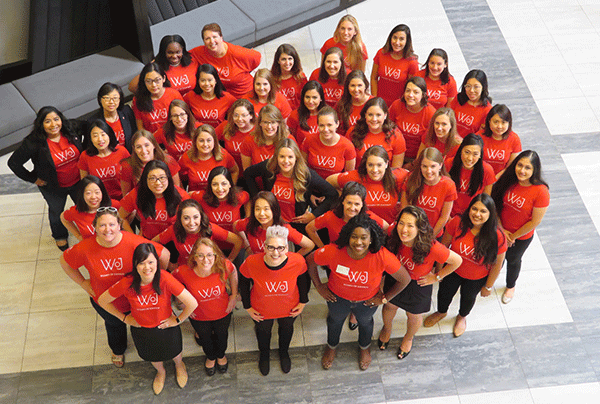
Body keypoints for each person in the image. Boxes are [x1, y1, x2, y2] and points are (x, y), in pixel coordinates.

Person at [60, 208, 169, 369]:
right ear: (94, 227)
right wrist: (83, 283)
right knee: (114, 326)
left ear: (119, 225)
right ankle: (118, 350)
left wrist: (157, 279)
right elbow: (65, 261)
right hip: (106, 302)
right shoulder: (85, 248)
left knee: (143, 327)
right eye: (102, 225)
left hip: (137, 300)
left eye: (112, 224)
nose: (107, 229)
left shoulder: (134, 242)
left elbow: (164, 254)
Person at [307, 215, 411, 370]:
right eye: (354, 237)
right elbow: (310, 261)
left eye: (364, 238)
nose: (358, 242)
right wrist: (319, 286)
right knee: (334, 322)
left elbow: (405, 279)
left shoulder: (382, 256)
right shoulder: (333, 251)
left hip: (367, 302)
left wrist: (384, 298)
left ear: (371, 239)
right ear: (348, 237)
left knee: (366, 323)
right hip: (337, 299)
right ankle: (332, 346)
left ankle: (364, 348)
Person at [98, 243, 197, 394]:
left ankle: (179, 365)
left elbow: (192, 303)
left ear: (157, 262)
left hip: (166, 326)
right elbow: (103, 300)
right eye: (142, 263)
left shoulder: (165, 278)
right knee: (151, 355)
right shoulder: (128, 282)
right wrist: (124, 319)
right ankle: (161, 372)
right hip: (142, 328)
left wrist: (177, 321)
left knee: (175, 351)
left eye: (151, 262)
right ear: (135, 265)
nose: (147, 267)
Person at [377, 206, 462, 358]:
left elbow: (457, 261)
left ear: (419, 228)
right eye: (401, 223)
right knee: (389, 306)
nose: (404, 229)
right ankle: (387, 328)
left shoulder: (432, 247)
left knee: (414, 316)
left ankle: (408, 338)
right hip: (396, 279)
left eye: (410, 225)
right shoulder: (393, 233)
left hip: (418, 284)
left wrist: (436, 277)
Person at [424, 194, 507, 336]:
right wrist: (439, 271)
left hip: (476, 277)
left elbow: (497, 265)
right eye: (474, 209)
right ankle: (441, 312)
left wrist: (488, 286)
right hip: (452, 271)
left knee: (468, 298)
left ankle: (461, 317)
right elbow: (443, 247)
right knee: (444, 293)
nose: (477, 214)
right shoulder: (457, 222)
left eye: (483, 211)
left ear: (490, 214)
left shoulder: (497, 235)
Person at [8, 106, 84, 251]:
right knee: (56, 211)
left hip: (78, 181)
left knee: (83, 208)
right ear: (41, 124)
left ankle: (86, 231)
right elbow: (13, 163)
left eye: (56, 119)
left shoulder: (71, 128)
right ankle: (59, 235)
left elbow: (89, 126)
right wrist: (33, 178)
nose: (54, 124)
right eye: (47, 121)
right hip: (53, 187)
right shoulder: (33, 142)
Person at [239, 225, 310, 375]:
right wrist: (247, 307)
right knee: (263, 332)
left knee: (286, 329)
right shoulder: (252, 262)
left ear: (287, 248)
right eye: (271, 247)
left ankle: (284, 352)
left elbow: (303, 280)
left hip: (290, 307)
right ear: (264, 247)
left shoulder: (297, 261)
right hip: (261, 308)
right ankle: (264, 355)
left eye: (280, 248)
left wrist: (303, 301)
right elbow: (243, 282)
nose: (275, 253)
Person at [172, 238, 238, 375]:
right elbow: (172, 283)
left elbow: (233, 272)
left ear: (215, 255)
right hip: (199, 315)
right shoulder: (184, 271)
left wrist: (234, 295)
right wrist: (183, 303)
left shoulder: (223, 266)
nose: (205, 260)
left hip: (223, 312)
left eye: (209, 255)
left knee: (222, 335)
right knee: (205, 338)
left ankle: (221, 355)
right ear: (194, 257)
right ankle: (211, 357)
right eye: (200, 255)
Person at [491, 151, 549, 304]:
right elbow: (495, 204)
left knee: (513, 259)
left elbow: (535, 222)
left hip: (520, 237)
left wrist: (513, 236)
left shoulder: (541, 191)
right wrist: (502, 230)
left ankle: (511, 285)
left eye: (528, 168)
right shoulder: (508, 180)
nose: (522, 171)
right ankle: (489, 279)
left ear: (534, 170)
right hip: (499, 229)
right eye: (520, 165)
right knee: (495, 257)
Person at [244, 138, 338, 229]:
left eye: (290, 157)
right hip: (270, 223)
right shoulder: (268, 167)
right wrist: (257, 197)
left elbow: (333, 194)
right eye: (282, 156)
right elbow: (248, 174)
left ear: (296, 158)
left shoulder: (307, 175)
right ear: (276, 157)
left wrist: (314, 215)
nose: (286, 161)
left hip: (296, 226)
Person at [327, 145, 408, 224]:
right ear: (365, 165)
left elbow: (416, 180)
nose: (375, 170)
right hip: (362, 229)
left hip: (389, 230)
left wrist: (404, 204)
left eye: (379, 165)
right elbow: (329, 180)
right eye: (370, 165)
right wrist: (342, 196)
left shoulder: (398, 176)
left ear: (386, 164)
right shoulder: (355, 177)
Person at [154, 199, 242, 269]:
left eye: (195, 217)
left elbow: (238, 241)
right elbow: (152, 243)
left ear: (201, 216)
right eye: (186, 218)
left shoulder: (209, 228)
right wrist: (168, 264)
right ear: (180, 219)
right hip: (186, 270)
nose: (191, 223)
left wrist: (228, 261)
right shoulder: (174, 230)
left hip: (209, 268)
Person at [119, 160, 190, 239]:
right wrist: (134, 238)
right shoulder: (136, 193)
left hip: (174, 241)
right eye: (152, 178)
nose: (158, 183)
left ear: (168, 178)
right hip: (148, 241)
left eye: (162, 177)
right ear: (145, 180)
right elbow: (120, 216)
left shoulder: (181, 195)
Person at [306, 181, 388, 248]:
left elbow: (387, 228)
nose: (352, 208)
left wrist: (377, 246)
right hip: (338, 256)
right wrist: (323, 247)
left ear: (362, 204)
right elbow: (310, 228)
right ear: (343, 201)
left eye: (357, 204)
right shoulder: (330, 216)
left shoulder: (370, 217)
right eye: (349, 203)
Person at [190, 23, 261, 98]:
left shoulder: (237, 53)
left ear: (221, 37)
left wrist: (245, 70)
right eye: (207, 38)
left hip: (245, 94)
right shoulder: (200, 52)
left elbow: (257, 57)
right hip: (224, 97)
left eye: (215, 37)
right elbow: (185, 55)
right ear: (204, 41)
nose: (211, 41)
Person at [234, 191, 314, 256]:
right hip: (258, 264)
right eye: (257, 209)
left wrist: (290, 259)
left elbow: (309, 245)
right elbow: (235, 226)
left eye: (266, 209)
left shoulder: (284, 228)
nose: (261, 213)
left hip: (277, 268)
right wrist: (247, 246)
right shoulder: (249, 223)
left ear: (274, 210)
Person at [402, 147, 457, 238]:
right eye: (424, 166)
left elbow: (444, 217)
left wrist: (430, 237)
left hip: (434, 233)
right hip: (411, 231)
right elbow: (404, 207)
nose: (429, 171)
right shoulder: (411, 179)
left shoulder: (448, 185)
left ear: (440, 165)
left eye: (433, 166)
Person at [128, 34, 199, 96]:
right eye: (170, 52)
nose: (174, 56)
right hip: (170, 105)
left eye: (178, 52)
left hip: (193, 102)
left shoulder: (192, 61)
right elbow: (132, 87)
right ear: (163, 52)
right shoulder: (157, 67)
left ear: (183, 50)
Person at [445, 133, 495, 217]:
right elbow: (443, 193)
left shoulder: (487, 170)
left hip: (472, 216)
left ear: (480, 155)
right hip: (448, 213)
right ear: (461, 150)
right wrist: (447, 218)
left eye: (475, 154)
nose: (470, 158)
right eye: (467, 152)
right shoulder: (449, 164)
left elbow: (484, 201)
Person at [78, 120, 130, 200]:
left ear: (109, 135)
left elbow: (131, 176)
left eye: (103, 134)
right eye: (95, 136)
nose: (100, 139)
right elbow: (85, 184)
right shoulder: (85, 156)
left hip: (123, 197)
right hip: (99, 200)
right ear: (90, 139)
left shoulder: (122, 151)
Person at [388, 77, 436, 163]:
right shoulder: (396, 105)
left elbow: (426, 142)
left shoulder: (430, 113)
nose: (410, 95)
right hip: (394, 153)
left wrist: (414, 164)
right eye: (408, 91)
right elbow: (387, 128)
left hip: (416, 157)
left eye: (416, 92)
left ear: (423, 95)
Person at [192, 166, 250, 236]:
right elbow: (186, 196)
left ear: (230, 184)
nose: (220, 189)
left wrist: (247, 218)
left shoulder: (239, 197)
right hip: (211, 243)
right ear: (210, 186)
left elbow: (248, 199)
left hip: (236, 243)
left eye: (224, 184)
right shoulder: (202, 197)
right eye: (214, 184)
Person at [119, 130, 181, 196]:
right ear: (134, 149)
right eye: (138, 147)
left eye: (147, 145)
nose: (143, 150)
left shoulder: (168, 161)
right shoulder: (127, 165)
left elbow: (177, 188)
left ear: (154, 145)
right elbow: (126, 195)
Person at [348, 97, 406, 168]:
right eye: (370, 115)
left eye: (378, 115)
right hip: (358, 176)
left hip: (384, 177)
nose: (374, 119)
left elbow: (396, 170)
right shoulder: (353, 132)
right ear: (365, 115)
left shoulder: (396, 136)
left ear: (385, 115)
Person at [178, 124, 238, 191]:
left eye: (209, 140)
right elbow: (178, 177)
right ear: (195, 142)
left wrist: (229, 189)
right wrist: (183, 193)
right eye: (201, 140)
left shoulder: (223, 155)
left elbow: (235, 171)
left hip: (218, 196)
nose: (205, 144)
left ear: (214, 141)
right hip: (195, 198)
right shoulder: (187, 157)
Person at [300, 106, 356, 179]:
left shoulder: (347, 146)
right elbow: (302, 167)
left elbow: (348, 177)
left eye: (329, 125)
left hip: (335, 187)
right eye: (322, 125)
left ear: (337, 124)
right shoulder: (309, 140)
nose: (325, 129)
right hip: (312, 184)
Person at [371, 24, 419, 107]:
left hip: (399, 105)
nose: (397, 42)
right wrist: (375, 99)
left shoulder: (412, 62)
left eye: (401, 39)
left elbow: (413, 88)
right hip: (380, 102)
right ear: (390, 38)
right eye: (395, 38)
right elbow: (373, 78)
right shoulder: (381, 53)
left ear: (407, 41)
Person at [60, 175, 116, 241]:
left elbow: (128, 214)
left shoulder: (113, 205)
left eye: (97, 192)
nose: (93, 197)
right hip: (91, 248)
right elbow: (63, 218)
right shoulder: (76, 211)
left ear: (102, 193)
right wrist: (78, 236)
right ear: (82, 194)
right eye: (88, 193)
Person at [132, 62, 183, 133]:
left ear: (163, 78)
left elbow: (183, 119)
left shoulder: (174, 94)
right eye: (149, 81)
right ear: (144, 82)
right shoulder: (138, 99)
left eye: (157, 80)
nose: (154, 85)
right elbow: (140, 128)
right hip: (152, 140)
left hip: (173, 136)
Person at [183, 63, 236, 128]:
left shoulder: (228, 98)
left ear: (216, 80)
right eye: (203, 80)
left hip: (219, 135)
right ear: (198, 81)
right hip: (198, 135)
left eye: (210, 80)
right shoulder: (189, 96)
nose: (206, 84)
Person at [88, 82, 137, 152]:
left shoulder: (126, 111)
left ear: (120, 99)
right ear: (100, 100)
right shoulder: (93, 121)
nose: (111, 102)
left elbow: (135, 133)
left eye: (115, 98)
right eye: (107, 98)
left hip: (131, 155)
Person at [240, 105, 290, 170]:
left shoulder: (288, 140)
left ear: (278, 123)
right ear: (260, 123)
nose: (269, 126)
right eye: (265, 122)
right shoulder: (249, 140)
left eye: (273, 122)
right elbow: (247, 171)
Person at [479, 104, 522, 178]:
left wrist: (494, 180)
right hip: (480, 177)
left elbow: (509, 168)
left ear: (509, 123)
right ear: (489, 121)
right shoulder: (479, 136)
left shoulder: (514, 139)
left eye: (503, 122)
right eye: (496, 122)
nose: (499, 126)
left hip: (502, 178)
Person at [450, 69, 492, 138]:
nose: (471, 90)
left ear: (483, 88)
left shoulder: (487, 110)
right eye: (468, 86)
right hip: (451, 141)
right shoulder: (458, 99)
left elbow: (481, 136)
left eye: (476, 87)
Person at [216, 99, 256, 169]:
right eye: (236, 115)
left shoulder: (258, 129)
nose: (239, 119)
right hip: (231, 171)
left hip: (251, 172)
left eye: (243, 115)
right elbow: (210, 137)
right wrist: (219, 150)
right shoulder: (226, 125)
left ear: (251, 116)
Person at [287, 80, 326, 145]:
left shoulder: (328, 115)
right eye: (307, 97)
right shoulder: (295, 115)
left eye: (314, 97)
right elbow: (291, 140)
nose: (310, 101)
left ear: (321, 98)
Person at [271, 44, 307, 111]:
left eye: (290, 59)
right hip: (280, 116)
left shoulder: (301, 77)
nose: (287, 63)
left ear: (294, 60)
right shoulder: (272, 79)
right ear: (278, 61)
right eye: (283, 59)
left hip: (298, 114)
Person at [336, 70, 373, 134]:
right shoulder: (342, 103)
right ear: (347, 87)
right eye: (352, 86)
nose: (356, 89)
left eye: (359, 85)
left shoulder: (374, 103)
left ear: (365, 86)